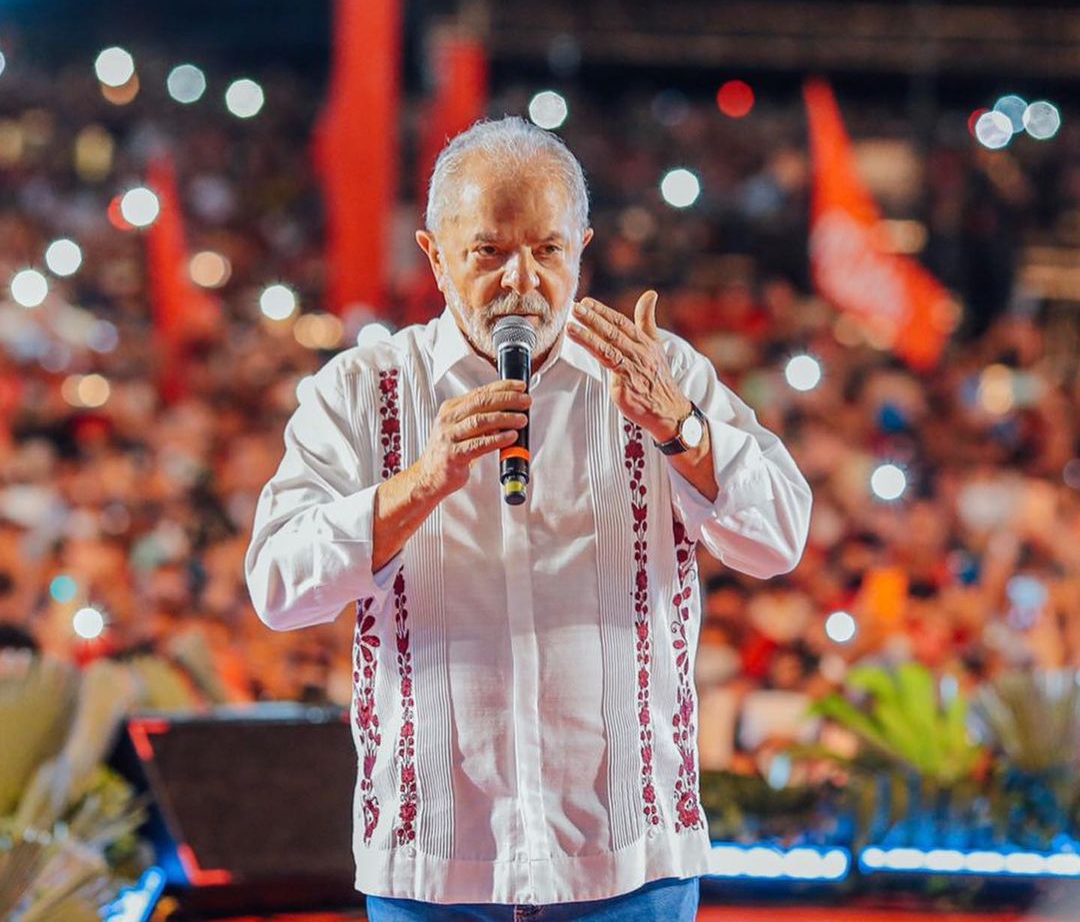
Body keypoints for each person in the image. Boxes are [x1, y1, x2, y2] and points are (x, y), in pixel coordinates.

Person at [245, 117, 812, 921]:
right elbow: (276, 587)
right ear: (435, 255)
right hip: (433, 866)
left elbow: (781, 537)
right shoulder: (361, 390)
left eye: (548, 250)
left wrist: (682, 430)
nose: (523, 281)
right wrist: (419, 484)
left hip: (628, 861)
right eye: (489, 252)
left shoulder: (660, 372)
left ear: (582, 246)